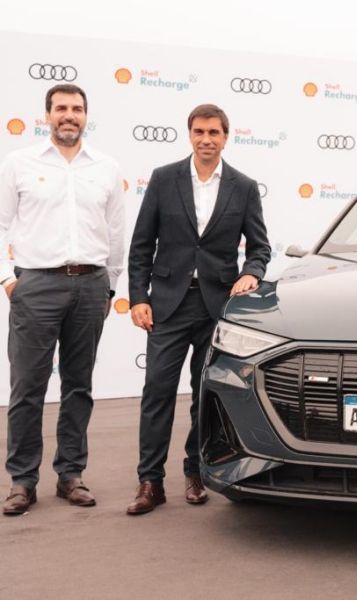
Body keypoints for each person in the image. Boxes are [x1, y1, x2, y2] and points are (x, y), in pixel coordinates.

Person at [126, 103, 270, 515]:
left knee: (205, 395)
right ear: (190, 135)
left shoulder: (244, 186)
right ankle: (150, 482)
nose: (206, 139)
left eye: (214, 133)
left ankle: (195, 473)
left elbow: (259, 247)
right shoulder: (163, 178)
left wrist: (251, 274)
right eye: (199, 132)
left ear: (226, 137)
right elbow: (141, 246)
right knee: (157, 392)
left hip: (215, 307)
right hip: (167, 306)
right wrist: (139, 298)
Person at [0, 84, 125, 515]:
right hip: (36, 285)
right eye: (61, 108)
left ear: (86, 115)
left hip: (90, 286)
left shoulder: (106, 168)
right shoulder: (20, 163)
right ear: (47, 115)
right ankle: (22, 480)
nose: (69, 115)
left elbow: (115, 233)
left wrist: (109, 286)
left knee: (78, 387)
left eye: (76, 108)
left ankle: (71, 474)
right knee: (27, 387)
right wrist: (7, 279)